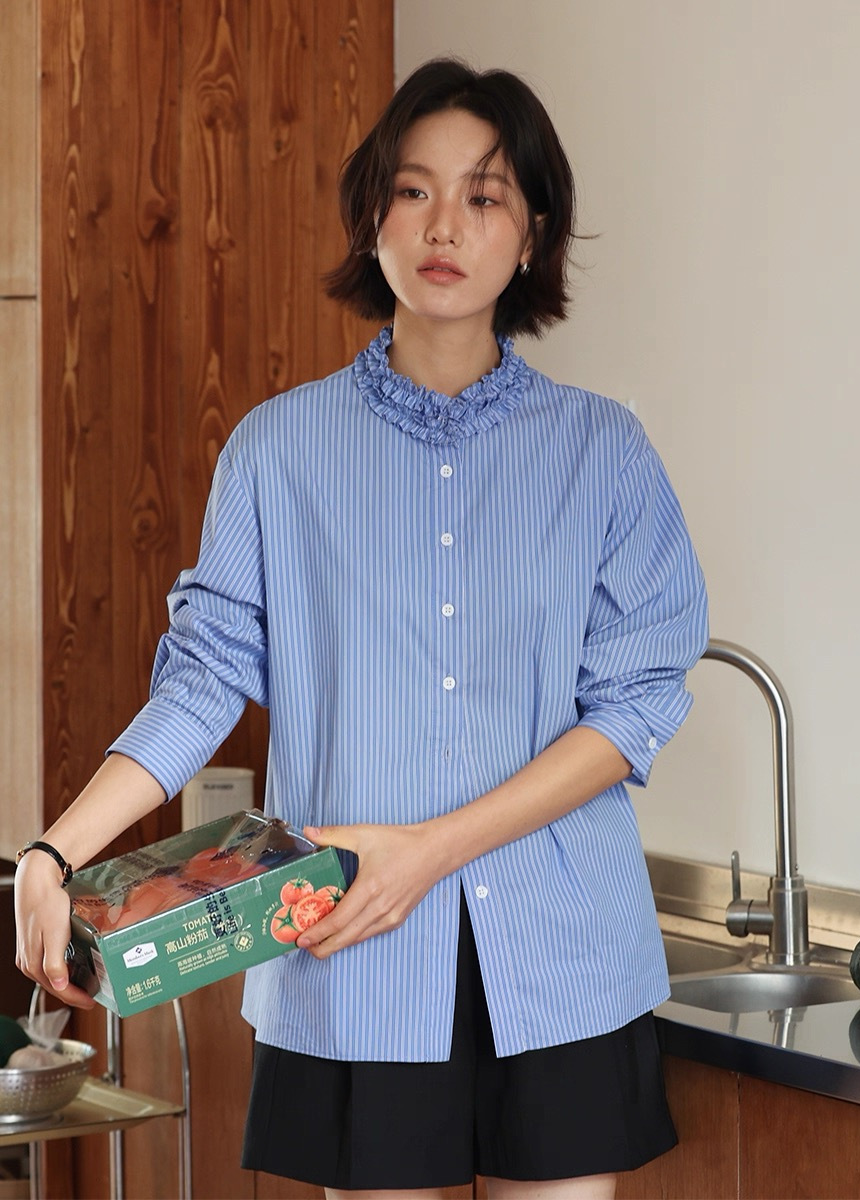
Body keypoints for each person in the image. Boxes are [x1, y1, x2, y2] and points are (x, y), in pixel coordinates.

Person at [15, 58, 708, 1199]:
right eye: (413, 190)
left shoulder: (603, 453)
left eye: (484, 196)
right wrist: (54, 852)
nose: (445, 225)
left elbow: (633, 706)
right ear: (371, 216)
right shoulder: (275, 451)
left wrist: (428, 851)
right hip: (354, 954)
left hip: (565, 955)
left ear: (531, 235)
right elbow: (200, 682)